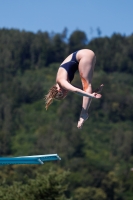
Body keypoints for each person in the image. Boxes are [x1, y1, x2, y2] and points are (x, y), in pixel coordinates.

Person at [45, 49, 103, 129]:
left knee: (86, 86)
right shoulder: (60, 79)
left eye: (64, 93)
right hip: (85, 55)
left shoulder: (62, 81)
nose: (67, 92)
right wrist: (92, 93)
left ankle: (83, 114)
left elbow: (75, 90)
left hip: (84, 56)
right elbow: (81, 91)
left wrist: (91, 96)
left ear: (59, 90)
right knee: (86, 87)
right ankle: (85, 112)